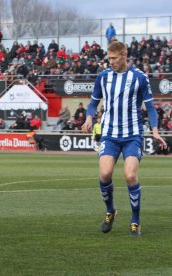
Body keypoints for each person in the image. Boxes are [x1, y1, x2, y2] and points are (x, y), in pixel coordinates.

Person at [82, 41, 167, 236]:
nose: (110, 62)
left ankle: (135, 219)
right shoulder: (103, 77)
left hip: (132, 136)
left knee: (130, 176)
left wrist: (154, 131)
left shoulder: (139, 78)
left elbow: (151, 108)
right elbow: (93, 103)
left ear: (124, 54)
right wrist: (88, 117)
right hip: (110, 135)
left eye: (113, 58)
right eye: (108, 58)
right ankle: (110, 210)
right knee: (105, 174)